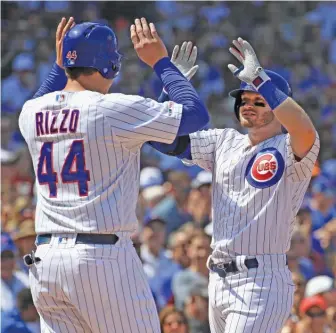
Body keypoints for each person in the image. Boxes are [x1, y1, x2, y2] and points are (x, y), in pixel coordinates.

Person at [18, 17, 209, 333]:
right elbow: (195, 115)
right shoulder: (110, 108)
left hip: (46, 260)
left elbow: (46, 96)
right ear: (109, 66)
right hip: (100, 258)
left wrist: (60, 63)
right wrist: (163, 64)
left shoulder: (31, 112)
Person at [152, 37, 320, 332]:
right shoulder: (223, 141)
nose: (248, 105)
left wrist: (260, 79)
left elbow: (304, 128)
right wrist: (170, 89)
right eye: (244, 99)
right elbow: (161, 137)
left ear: (279, 105)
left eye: (259, 100)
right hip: (218, 278)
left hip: (260, 280)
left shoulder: (289, 146)